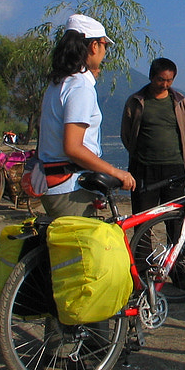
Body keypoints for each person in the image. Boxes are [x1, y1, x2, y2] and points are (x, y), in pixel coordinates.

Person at [36, 14, 135, 218]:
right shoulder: (79, 85)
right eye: (105, 45)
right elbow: (73, 147)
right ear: (93, 46)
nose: (105, 51)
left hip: (52, 183)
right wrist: (116, 172)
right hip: (69, 188)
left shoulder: (58, 83)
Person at [120, 57, 185, 287]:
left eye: (170, 80)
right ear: (152, 77)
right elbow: (127, 134)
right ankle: (142, 270)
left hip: (175, 169)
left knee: (176, 223)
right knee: (142, 221)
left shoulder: (179, 101)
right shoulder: (137, 101)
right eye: (161, 79)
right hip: (144, 169)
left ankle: (177, 269)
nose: (165, 84)